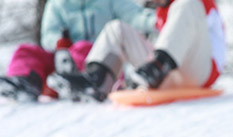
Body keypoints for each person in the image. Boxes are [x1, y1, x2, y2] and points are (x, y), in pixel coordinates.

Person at [47, 0, 225, 102]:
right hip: (164, 73)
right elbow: (143, 20)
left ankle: (157, 66)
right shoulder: (164, 12)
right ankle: (97, 80)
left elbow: (209, 39)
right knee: (116, 28)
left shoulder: (196, 5)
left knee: (187, 3)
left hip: (200, 71)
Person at [0, 0, 155, 102]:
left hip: (98, 62)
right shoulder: (58, 4)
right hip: (62, 57)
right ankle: (25, 82)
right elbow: (48, 34)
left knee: (82, 47)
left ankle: (86, 85)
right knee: (26, 51)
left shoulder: (111, 1)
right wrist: (59, 43)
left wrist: (158, 19)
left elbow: (137, 17)